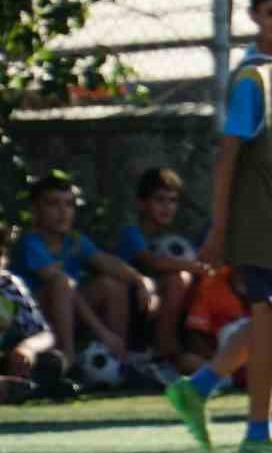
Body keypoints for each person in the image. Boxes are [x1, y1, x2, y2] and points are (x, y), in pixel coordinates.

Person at [163, 0, 272, 453]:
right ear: (254, 15)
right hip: (254, 219)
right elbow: (228, 155)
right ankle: (257, 433)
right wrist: (220, 226)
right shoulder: (249, 78)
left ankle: (200, 386)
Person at [11, 173, 157, 374]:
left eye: (69, 204)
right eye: (54, 204)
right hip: (35, 320)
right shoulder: (30, 243)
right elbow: (64, 287)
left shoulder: (75, 240)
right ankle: (68, 359)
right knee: (62, 282)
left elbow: (107, 262)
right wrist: (102, 331)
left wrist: (141, 281)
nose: (63, 212)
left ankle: (118, 360)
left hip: (69, 311)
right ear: (36, 209)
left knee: (111, 284)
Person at [114, 166, 207, 380]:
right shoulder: (131, 233)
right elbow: (152, 263)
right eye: (160, 200)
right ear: (142, 204)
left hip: (163, 309)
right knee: (178, 279)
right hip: (134, 309)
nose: (167, 207)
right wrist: (192, 266)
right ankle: (164, 351)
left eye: (172, 201)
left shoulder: (174, 242)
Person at [0, 231, 75, 404]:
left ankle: (19, 386)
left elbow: (45, 334)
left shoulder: (8, 285)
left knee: (52, 361)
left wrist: (28, 348)